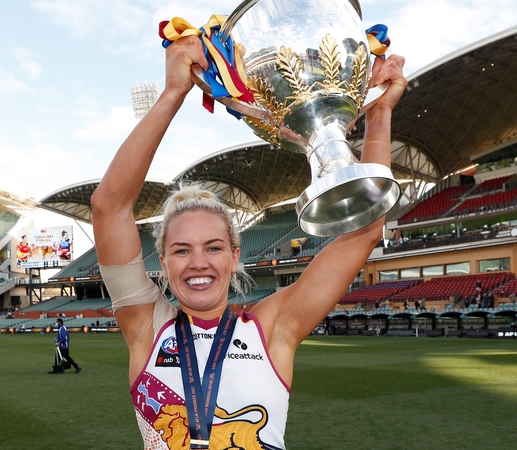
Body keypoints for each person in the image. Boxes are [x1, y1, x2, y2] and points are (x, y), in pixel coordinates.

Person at [90, 31, 406, 448]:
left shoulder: (272, 327)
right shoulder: (146, 327)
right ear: (162, 262)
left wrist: (379, 112)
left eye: (213, 247)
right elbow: (108, 208)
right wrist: (172, 93)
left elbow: (365, 230)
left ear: (235, 256)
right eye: (181, 250)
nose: (198, 262)